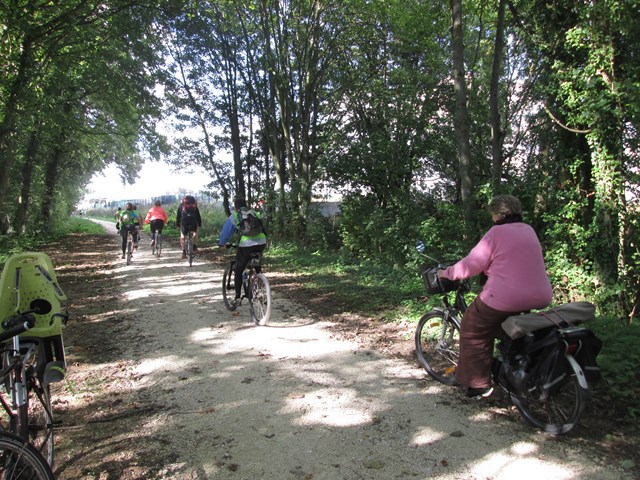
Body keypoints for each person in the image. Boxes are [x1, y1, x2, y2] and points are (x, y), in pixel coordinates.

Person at [436, 194, 553, 399]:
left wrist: (446, 273)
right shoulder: (528, 230)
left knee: (473, 326)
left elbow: (471, 265)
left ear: (499, 214)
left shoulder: (497, 232)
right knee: (503, 327)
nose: (492, 218)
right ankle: (512, 367)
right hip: (539, 295)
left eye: (493, 214)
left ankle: (479, 384)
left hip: (506, 297)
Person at [218, 197, 267, 306]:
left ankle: (237, 297)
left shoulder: (235, 215)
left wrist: (222, 243)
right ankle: (261, 287)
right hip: (261, 242)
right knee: (257, 266)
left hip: (246, 245)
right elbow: (263, 228)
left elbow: (226, 232)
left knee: (239, 269)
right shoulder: (254, 213)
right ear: (246, 205)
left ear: (235, 207)